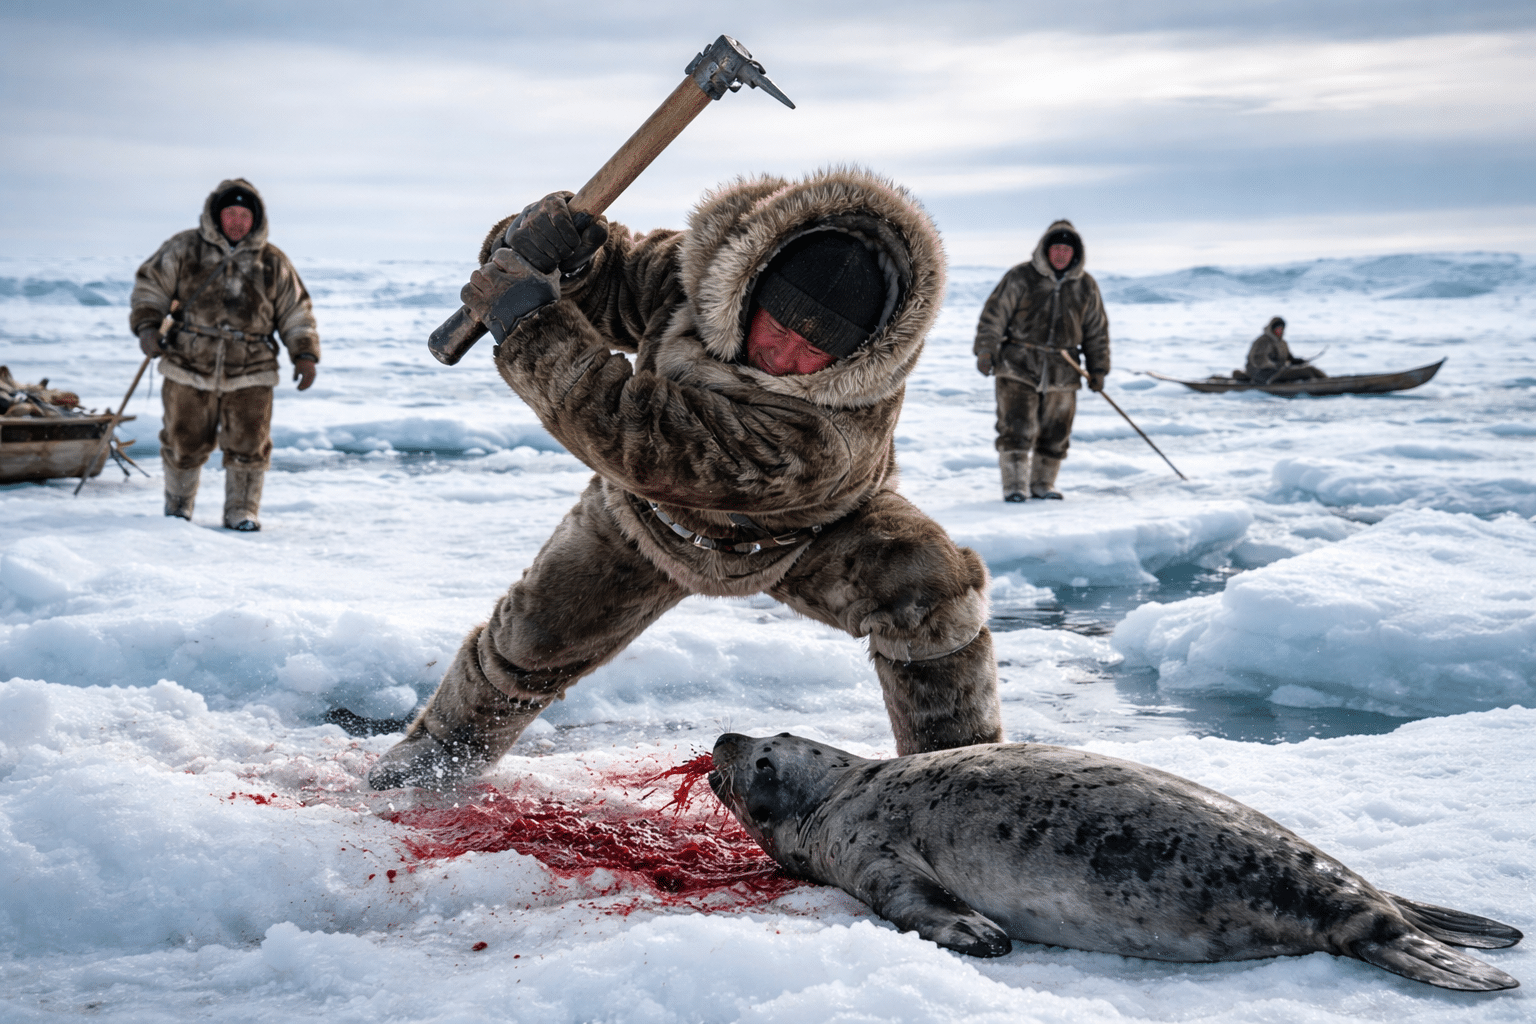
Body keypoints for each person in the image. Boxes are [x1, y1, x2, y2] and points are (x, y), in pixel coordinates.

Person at [369, 168, 1003, 790]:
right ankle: (433, 762)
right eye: (775, 329)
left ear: (858, 351)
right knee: (528, 643)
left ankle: (958, 793)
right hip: (647, 520)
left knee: (927, 591)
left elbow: (646, 441)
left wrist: (532, 329)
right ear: (748, 290)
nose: (782, 357)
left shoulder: (830, 437)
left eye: (815, 348)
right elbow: (620, 282)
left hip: (804, 533)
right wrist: (557, 255)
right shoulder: (709, 271)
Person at [128, 178, 319, 530]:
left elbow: (296, 311)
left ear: (255, 219)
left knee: (250, 445)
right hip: (188, 365)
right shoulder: (184, 248)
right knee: (182, 442)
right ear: (216, 216)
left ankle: (242, 512)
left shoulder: (272, 261)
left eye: (244, 215)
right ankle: (178, 508)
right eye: (230, 213)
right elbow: (151, 287)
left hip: (252, 369)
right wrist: (147, 328)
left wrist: (304, 354)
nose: (236, 221)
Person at [972, 220, 1110, 501]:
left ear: (1076, 253)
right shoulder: (1021, 277)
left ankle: (1043, 484)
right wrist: (986, 350)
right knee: (1016, 427)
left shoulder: (1086, 286)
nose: (1061, 254)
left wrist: (1098, 369)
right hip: (1017, 366)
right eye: (1056, 248)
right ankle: (1015, 487)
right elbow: (994, 316)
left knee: (1056, 432)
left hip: (1064, 370)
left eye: (1066, 250)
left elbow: (1096, 330)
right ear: (1045, 250)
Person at [1237, 316, 1326, 384]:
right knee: (1306, 371)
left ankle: (1328, 381)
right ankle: (1319, 385)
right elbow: (1258, 360)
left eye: (1281, 329)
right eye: (1277, 329)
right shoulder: (1263, 341)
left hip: (1277, 372)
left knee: (1312, 369)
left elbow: (1288, 358)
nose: (1280, 331)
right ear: (1272, 329)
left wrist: (1296, 361)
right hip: (1262, 375)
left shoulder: (1282, 343)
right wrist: (1275, 365)